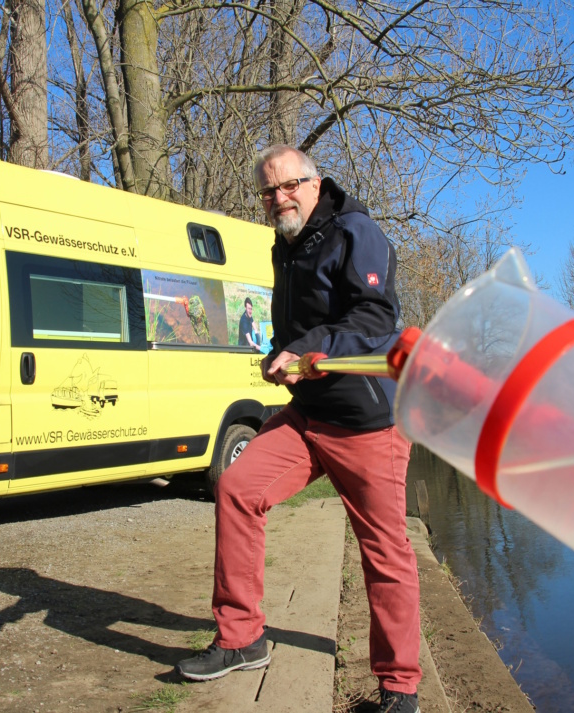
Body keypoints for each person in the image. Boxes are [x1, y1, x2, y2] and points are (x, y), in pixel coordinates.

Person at [176, 145, 421, 713]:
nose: (277, 198)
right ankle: (242, 638)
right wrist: (278, 354)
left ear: (315, 183)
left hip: (366, 422)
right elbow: (301, 323)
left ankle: (400, 687)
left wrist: (307, 349)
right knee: (238, 488)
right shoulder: (286, 243)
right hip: (309, 413)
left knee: (384, 549)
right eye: (268, 191)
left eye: (289, 186)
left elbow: (374, 316)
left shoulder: (356, 231)